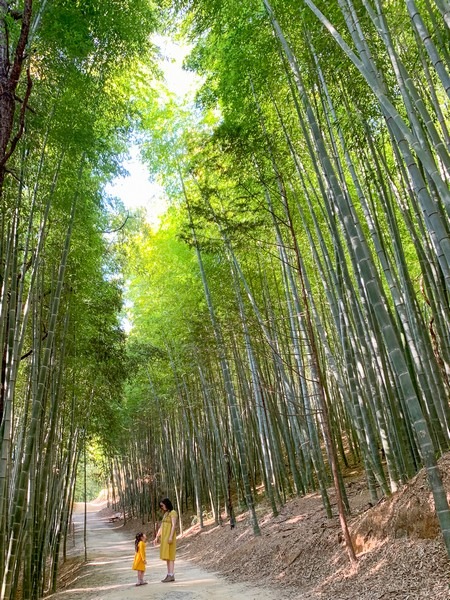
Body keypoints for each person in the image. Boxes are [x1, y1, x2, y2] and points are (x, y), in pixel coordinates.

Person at [153, 498, 177, 582]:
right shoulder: (166, 514)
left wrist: (171, 537)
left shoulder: (173, 513)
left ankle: (171, 574)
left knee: (170, 556)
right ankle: (169, 574)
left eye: (162, 505)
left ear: (166, 504)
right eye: (160, 506)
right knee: (167, 556)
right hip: (164, 537)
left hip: (169, 536)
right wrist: (157, 537)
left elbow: (174, 525)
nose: (161, 507)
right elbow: (162, 526)